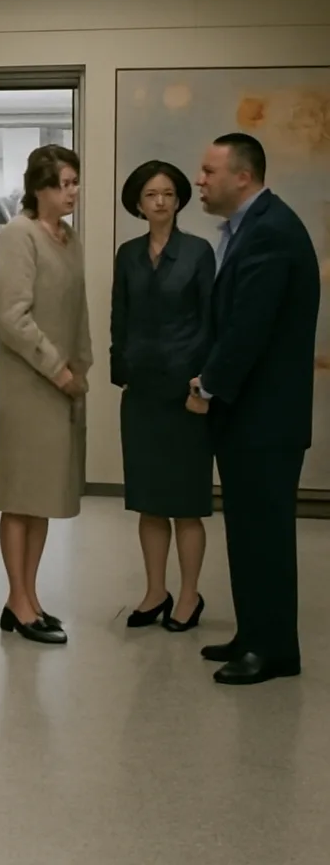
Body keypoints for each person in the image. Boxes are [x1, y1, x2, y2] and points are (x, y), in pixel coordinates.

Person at [188, 132, 320, 685]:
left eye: (209, 170)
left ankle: (274, 653)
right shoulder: (254, 227)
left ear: (242, 176)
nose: (200, 179)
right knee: (247, 532)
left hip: (264, 421)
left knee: (263, 534)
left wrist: (207, 386)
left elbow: (250, 330)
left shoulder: (269, 232)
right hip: (255, 419)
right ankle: (255, 635)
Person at [0, 144, 92, 646]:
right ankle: (16, 598)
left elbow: (79, 309)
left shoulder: (69, 239)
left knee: (44, 496)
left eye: (75, 183)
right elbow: (12, 318)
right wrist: (58, 369)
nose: (72, 192)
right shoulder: (19, 235)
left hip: (63, 384)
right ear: (39, 189)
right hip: (29, 384)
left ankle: (29, 597)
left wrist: (83, 368)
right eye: (64, 184)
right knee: (21, 494)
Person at [111, 161, 215, 632]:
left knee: (187, 502)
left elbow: (212, 323)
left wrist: (204, 386)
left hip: (186, 392)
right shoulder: (127, 254)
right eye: (151, 194)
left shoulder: (198, 252)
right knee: (149, 500)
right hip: (142, 392)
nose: (160, 202)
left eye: (169, 194)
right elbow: (120, 316)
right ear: (138, 202)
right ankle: (156, 590)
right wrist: (123, 373)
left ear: (179, 201)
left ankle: (190, 595)